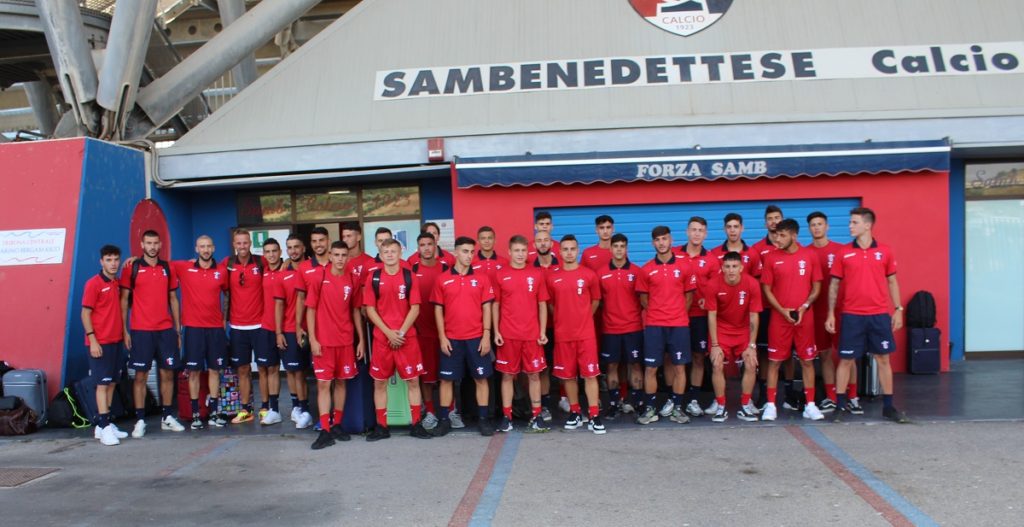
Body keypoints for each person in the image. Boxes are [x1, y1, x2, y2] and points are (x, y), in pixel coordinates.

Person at [826, 207, 909, 423]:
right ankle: (840, 406)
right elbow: (834, 286)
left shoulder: (885, 251)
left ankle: (888, 407)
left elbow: (892, 281)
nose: (850, 226)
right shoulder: (843, 253)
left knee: (883, 359)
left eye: (854, 222)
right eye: (850, 222)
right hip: (851, 315)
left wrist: (898, 309)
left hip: (878, 315)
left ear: (867, 225)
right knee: (846, 360)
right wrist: (830, 314)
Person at [363, 238, 433, 440]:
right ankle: (381, 427)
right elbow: (370, 309)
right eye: (386, 252)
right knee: (379, 383)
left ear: (400, 253)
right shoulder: (374, 277)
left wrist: (400, 333)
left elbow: (415, 308)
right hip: (382, 339)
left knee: (413, 381)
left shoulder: (409, 276)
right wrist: (388, 333)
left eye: (393, 251)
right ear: (380, 254)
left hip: (406, 338)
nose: (390, 255)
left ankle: (416, 424)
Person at [759, 219, 825, 421]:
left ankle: (810, 405)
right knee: (774, 362)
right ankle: (771, 405)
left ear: (794, 236)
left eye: (782, 235)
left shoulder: (810, 255)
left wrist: (805, 306)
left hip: (805, 317)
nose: (777, 239)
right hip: (780, 319)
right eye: (776, 235)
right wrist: (782, 310)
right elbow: (766, 289)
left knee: (807, 361)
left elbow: (816, 287)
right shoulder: (771, 257)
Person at [120, 230, 184, 437]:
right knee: (140, 376)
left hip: (165, 330)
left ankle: (167, 416)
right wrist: (125, 330)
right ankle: (140, 420)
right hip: (141, 330)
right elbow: (123, 300)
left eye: (156, 243)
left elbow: (173, 299)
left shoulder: (167, 267)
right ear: (142, 244)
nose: (153, 247)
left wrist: (178, 329)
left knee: (168, 373)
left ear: (160, 244)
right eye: (149, 243)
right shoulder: (132, 267)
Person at [430, 236, 496, 437]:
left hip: (476, 338)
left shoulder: (482, 279)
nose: (469, 256)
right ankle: (444, 420)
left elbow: (487, 308)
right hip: (451, 339)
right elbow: (438, 310)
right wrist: (442, 337)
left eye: (471, 252)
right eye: (465, 251)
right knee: (446, 380)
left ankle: (483, 419)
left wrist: (486, 335)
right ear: (456, 252)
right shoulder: (442, 279)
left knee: (481, 379)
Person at [305, 241, 366, 449]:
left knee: (341, 382)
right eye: (337, 255)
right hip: (324, 342)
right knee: (323, 384)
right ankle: (325, 429)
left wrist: (361, 340)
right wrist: (313, 339)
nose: (340, 259)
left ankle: (337, 424)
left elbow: (356, 310)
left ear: (348, 257)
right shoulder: (318, 276)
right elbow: (310, 309)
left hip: (346, 341)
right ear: (330, 256)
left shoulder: (352, 278)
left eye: (343, 255)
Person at [635, 226, 697, 426]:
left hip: (679, 325)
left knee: (679, 367)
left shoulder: (685, 266)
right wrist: (659, 312)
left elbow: (689, 296)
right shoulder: (646, 269)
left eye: (664, 239)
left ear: (671, 240)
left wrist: (676, 313)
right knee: (651, 368)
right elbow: (644, 299)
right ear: (653, 243)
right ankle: (650, 409)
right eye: (657, 240)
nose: (661, 243)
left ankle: (678, 408)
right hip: (654, 325)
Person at [546, 235, 606, 434]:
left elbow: (596, 300)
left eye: (572, 249)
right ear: (559, 252)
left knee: (590, 375)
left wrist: (583, 317)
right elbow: (550, 304)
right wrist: (562, 318)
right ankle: (575, 412)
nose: (569, 253)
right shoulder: (552, 277)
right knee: (569, 376)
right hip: (563, 335)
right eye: (565, 249)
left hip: (585, 335)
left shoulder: (589, 275)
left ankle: (594, 415)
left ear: (578, 250)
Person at [493, 235, 551, 433]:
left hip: (531, 335)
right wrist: (496, 331)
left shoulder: (536, 273)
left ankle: (537, 416)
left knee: (534, 375)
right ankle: (507, 417)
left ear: (528, 252)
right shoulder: (500, 274)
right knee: (507, 376)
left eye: (523, 251)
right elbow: (496, 305)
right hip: (508, 334)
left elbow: (542, 304)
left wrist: (542, 331)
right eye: (516, 250)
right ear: (509, 252)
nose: (520, 254)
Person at [173, 235, 229, 429]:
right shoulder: (184, 267)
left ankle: (214, 412)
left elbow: (227, 295)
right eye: (202, 246)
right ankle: (196, 414)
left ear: (213, 248)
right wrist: (135, 260)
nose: (205, 250)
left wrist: (224, 319)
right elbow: (158, 262)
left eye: (208, 246)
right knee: (194, 372)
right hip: (193, 329)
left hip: (215, 329)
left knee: (215, 370)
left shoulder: (222, 271)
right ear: (196, 249)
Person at [705, 252, 762, 422]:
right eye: (727, 266)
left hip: (743, 331)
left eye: (735, 266)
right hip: (721, 330)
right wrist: (715, 345)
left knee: (751, 363)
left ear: (741, 268)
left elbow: (754, 316)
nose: (731, 270)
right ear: (722, 268)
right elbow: (711, 315)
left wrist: (752, 345)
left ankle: (745, 405)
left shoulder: (751, 284)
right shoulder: (713, 284)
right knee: (717, 363)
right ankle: (721, 406)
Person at [806, 211, 854, 413]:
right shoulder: (806, 253)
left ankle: (853, 397)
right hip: (817, 312)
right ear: (809, 229)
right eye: (813, 225)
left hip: (842, 310)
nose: (817, 227)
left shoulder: (841, 250)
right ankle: (831, 397)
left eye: (820, 224)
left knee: (848, 355)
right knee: (824, 355)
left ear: (827, 227)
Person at [675, 216, 722, 418]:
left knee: (698, 357)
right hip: (676, 317)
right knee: (673, 359)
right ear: (687, 232)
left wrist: (707, 300)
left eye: (700, 230)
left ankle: (693, 400)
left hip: (700, 317)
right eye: (693, 229)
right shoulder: (674, 254)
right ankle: (674, 399)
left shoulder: (711, 259)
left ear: (705, 234)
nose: (696, 233)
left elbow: (717, 287)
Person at [82, 245, 129, 445]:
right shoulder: (93, 284)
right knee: (102, 385)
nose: (113, 263)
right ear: (101, 261)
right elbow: (85, 314)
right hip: (100, 343)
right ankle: (103, 426)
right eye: (109, 260)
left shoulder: (117, 282)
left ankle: (105, 424)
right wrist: (93, 340)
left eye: (116, 259)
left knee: (111, 383)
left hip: (116, 341)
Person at [597, 233, 644, 419]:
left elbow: (642, 299)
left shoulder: (636, 271)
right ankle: (614, 404)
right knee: (612, 367)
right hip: (611, 329)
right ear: (610, 249)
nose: (618, 249)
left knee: (635, 365)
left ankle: (639, 403)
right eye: (615, 246)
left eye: (622, 246)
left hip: (633, 328)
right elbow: (598, 300)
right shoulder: (601, 273)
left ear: (626, 249)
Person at [222, 228, 264, 425]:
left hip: (260, 324)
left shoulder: (261, 262)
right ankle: (246, 410)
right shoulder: (228, 264)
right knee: (243, 370)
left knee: (264, 368)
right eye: (238, 243)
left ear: (250, 243)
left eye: (245, 242)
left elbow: (281, 266)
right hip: (238, 326)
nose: (242, 246)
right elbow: (208, 267)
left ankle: (266, 408)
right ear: (234, 245)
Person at [411, 232, 447, 429]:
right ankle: (431, 412)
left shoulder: (445, 269)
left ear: (435, 246)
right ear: (418, 248)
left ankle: (449, 411)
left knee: (447, 376)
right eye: (422, 245)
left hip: (445, 333)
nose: (426, 248)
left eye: (429, 244)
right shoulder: (412, 271)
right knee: (426, 377)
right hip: (421, 334)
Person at [279, 234, 313, 428]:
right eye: (290, 247)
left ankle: (313, 409)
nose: (293, 251)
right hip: (292, 328)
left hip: (316, 328)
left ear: (303, 248)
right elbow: (280, 305)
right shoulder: (284, 272)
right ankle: (299, 408)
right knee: (295, 371)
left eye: (296, 246)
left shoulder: (312, 268)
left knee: (318, 374)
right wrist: (279, 332)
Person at [255, 238, 287, 425]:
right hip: (266, 327)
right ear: (264, 254)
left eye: (274, 251)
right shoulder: (262, 271)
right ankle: (269, 408)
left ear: (280, 252)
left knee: (291, 371)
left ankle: (298, 408)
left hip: (285, 327)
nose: (271, 254)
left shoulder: (287, 270)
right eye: (267, 251)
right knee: (266, 368)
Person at [531, 229, 560, 421]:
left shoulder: (562, 266)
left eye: (546, 240)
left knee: (565, 365)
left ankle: (567, 399)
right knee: (542, 368)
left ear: (551, 243)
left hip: (561, 326)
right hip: (538, 327)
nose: (543, 243)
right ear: (534, 245)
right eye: (539, 240)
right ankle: (544, 405)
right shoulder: (529, 269)